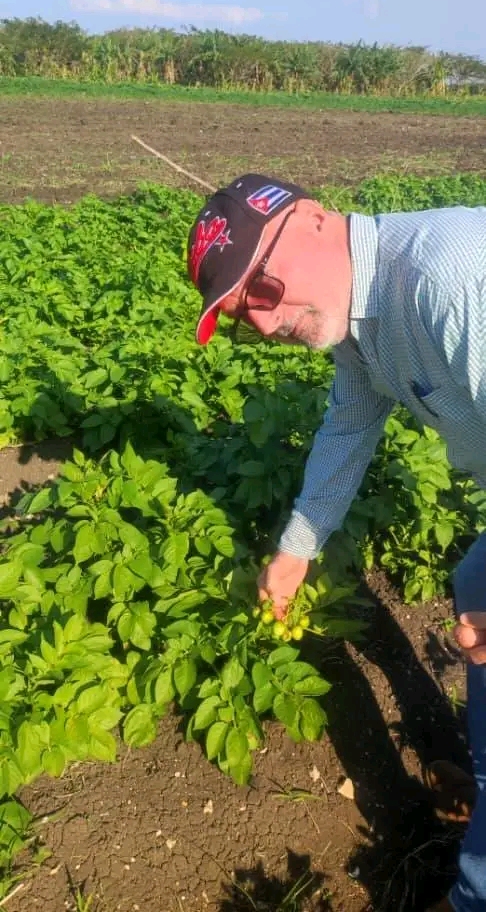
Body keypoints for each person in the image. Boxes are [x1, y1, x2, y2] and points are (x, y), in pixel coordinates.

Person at [187, 172, 486, 912]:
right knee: (476, 584)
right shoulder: (360, 318)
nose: (262, 324)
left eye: (260, 288)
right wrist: (297, 548)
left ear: (317, 220)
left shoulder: (452, 282)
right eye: (241, 316)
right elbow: (348, 428)